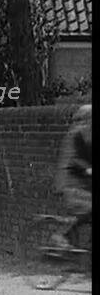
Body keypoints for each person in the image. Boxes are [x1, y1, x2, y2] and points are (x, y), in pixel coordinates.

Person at [51, 105, 92, 249]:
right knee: (88, 208)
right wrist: (87, 169)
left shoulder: (84, 134)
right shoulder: (76, 134)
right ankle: (60, 235)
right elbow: (72, 159)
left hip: (80, 183)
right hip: (70, 183)